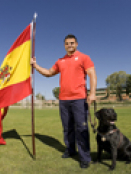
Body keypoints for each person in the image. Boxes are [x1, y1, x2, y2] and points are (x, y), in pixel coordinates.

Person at [31, 34, 97, 169]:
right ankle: (71, 150)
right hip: (63, 100)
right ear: (64, 45)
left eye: (72, 43)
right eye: (67, 43)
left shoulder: (84, 57)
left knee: (81, 128)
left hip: (79, 99)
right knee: (67, 128)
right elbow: (49, 73)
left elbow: (92, 74)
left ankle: (85, 158)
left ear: (77, 44)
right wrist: (35, 65)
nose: (70, 45)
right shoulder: (60, 61)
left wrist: (93, 93)